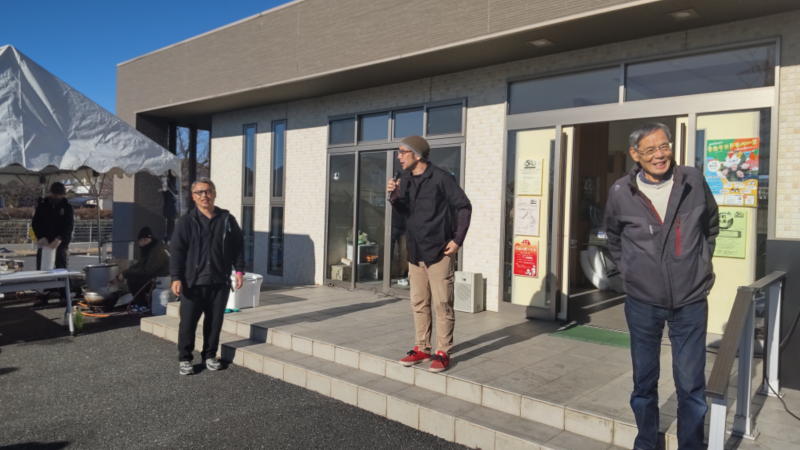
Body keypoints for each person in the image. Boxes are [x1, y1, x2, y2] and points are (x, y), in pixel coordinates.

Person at [604, 123, 719, 450]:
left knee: (691, 384)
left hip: (690, 299)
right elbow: (613, 237)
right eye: (651, 149)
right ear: (635, 154)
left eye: (664, 146)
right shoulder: (620, 191)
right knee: (644, 381)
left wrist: (700, 262)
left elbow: (711, 225)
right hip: (642, 301)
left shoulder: (691, 180)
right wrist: (629, 272)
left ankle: (691, 445)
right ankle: (646, 442)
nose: (660, 155)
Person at [387, 136, 471, 373]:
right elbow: (404, 211)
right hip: (415, 250)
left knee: (442, 303)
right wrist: (394, 195)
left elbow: (464, 207)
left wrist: (457, 240)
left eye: (403, 152)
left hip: (439, 250)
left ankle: (443, 352)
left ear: (417, 155)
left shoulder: (441, 178)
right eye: (398, 152)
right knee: (419, 302)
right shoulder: (404, 179)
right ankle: (422, 347)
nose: (399, 156)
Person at [170, 178, 245, 376]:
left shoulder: (226, 219)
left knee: (214, 322)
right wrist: (176, 277)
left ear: (214, 193)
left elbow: (238, 247)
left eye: (208, 191)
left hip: (219, 281)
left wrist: (239, 271)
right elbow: (177, 252)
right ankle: (185, 358)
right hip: (192, 283)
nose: (205, 195)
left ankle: (210, 355)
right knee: (188, 323)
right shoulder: (186, 222)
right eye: (200, 192)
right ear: (193, 197)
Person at [123, 226, 170, 314]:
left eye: (139, 241)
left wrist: (126, 274)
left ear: (144, 240)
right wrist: (127, 271)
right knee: (134, 276)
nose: (139, 244)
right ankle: (143, 303)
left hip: (162, 279)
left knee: (133, 281)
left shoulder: (156, 250)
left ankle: (142, 305)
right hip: (161, 277)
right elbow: (141, 264)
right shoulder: (153, 247)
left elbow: (147, 271)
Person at [31, 181, 74, 271]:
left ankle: (61, 280)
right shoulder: (42, 205)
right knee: (42, 268)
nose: (57, 197)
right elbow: (35, 223)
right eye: (55, 195)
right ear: (51, 193)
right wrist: (41, 236)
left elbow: (68, 226)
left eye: (59, 195)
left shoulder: (67, 207)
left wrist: (59, 238)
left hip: (60, 243)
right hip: (44, 241)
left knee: (61, 268)